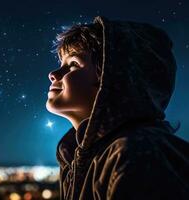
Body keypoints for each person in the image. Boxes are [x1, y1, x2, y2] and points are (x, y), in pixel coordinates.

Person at [46, 16, 189, 200]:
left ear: (112, 77)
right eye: (61, 64)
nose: (53, 74)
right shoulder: (77, 159)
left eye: (73, 64)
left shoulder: (136, 153)